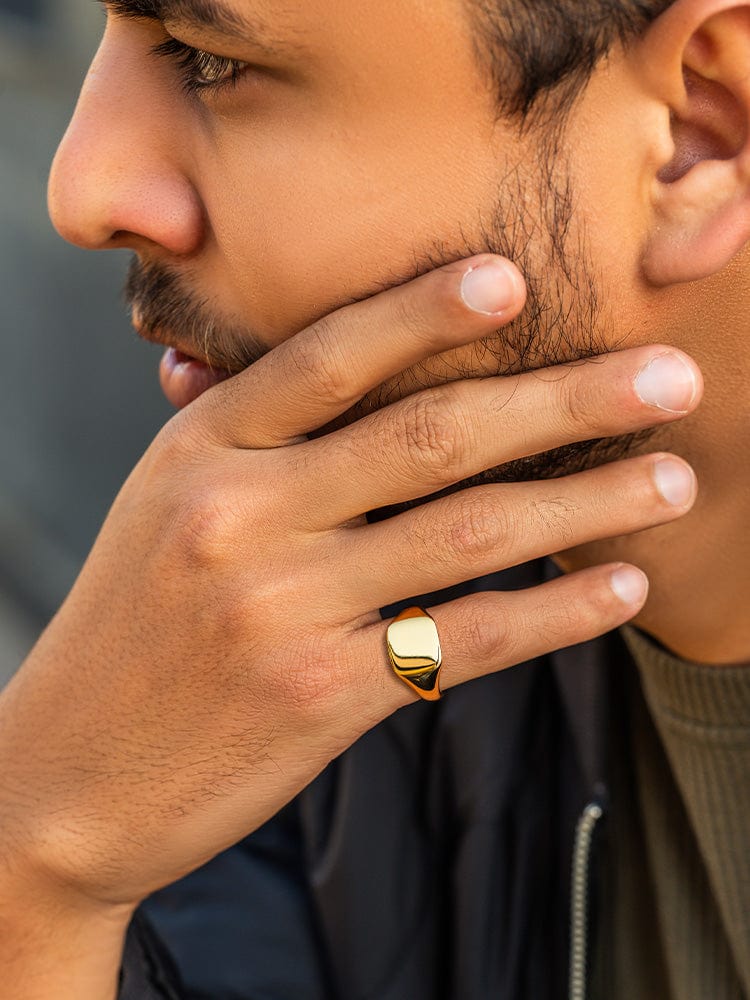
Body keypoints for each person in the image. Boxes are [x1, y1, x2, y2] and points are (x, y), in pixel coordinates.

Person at [1, 0, 749, 995]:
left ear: (700, 131)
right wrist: (36, 865)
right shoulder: (280, 660)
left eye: (208, 60)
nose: (83, 191)